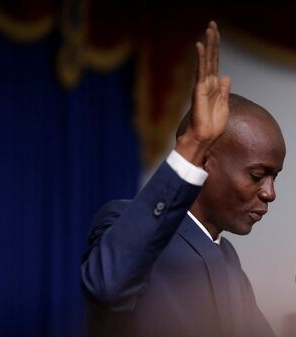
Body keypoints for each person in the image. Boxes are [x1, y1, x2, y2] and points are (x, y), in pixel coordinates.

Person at [81, 21, 285, 337]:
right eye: (257, 175)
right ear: (205, 162)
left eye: (274, 177)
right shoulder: (125, 221)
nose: (270, 193)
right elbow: (107, 285)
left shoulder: (226, 256)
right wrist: (193, 143)